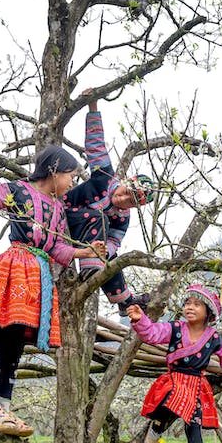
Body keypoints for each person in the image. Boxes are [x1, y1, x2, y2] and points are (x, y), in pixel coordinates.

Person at [0, 145, 106, 437]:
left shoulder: (58, 208)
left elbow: (56, 247)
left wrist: (84, 250)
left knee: (14, 343)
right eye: (71, 176)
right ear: (55, 171)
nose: (72, 183)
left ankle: (4, 407)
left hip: (37, 275)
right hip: (14, 267)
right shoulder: (17, 191)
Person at [126, 284, 222, 443]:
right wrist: (141, 319)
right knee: (169, 400)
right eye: (187, 303)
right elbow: (153, 333)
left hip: (196, 385)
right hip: (174, 380)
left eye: (197, 304)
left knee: (194, 423)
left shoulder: (214, 338)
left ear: (208, 312)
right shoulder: (175, 328)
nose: (190, 307)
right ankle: (155, 430)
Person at [63, 90, 153, 317]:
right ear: (124, 182)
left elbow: (114, 240)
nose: (122, 199)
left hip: (88, 244)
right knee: (99, 217)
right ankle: (90, 268)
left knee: (113, 257)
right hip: (64, 215)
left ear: (135, 207)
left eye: (130, 202)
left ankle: (125, 301)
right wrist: (93, 107)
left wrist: (105, 252)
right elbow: (95, 146)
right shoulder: (105, 176)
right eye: (125, 192)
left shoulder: (123, 218)